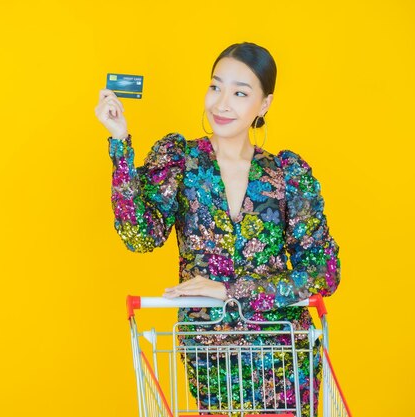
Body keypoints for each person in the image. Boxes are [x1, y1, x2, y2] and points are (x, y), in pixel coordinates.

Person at [94, 42, 341, 416]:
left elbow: (325, 272)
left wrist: (229, 291)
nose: (222, 104)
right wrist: (119, 144)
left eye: (240, 93)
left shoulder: (288, 174)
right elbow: (140, 236)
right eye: (215, 87)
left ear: (264, 105)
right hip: (211, 355)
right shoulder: (179, 160)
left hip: (284, 355)